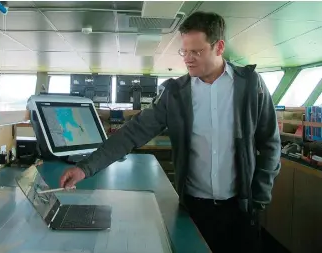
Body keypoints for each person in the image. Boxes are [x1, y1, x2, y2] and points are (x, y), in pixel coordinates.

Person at [60, 11, 281, 253]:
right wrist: (85, 168)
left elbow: (270, 143)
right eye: (184, 51)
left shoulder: (251, 85)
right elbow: (132, 133)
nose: (188, 59)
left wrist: (259, 198)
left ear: (219, 47)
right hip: (195, 209)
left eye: (196, 51)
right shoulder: (175, 93)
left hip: (241, 209)